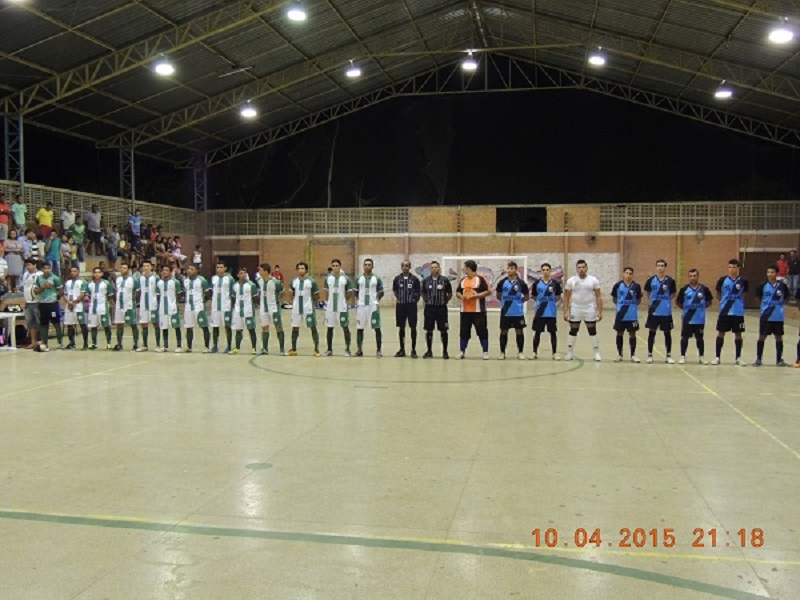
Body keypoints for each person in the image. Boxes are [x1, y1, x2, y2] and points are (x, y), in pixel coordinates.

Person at [562, 259, 603, 362]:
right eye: (579, 267)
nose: (581, 269)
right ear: (576, 268)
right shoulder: (571, 281)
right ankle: (570, 352)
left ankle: (596, 353)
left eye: (583, 267)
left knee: (592, 330)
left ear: (586, 268)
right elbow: (566, 297)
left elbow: (598, 297)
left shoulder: (593, 280)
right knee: (573, 330)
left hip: (589, 308)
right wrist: (565, 311)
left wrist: (599, 311)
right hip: (575, 308)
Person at [713, 258, 749, 366]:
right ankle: (717, 357)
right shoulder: (722, 280)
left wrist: (739, 303)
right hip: (725, 311)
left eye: (734, 267)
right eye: (729, 267)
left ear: (738, 268)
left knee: (738, 334)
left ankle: (738, 358)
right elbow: (718, 294)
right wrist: (724, 303)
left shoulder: (743, 281)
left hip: (738, 312)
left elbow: (744, 294)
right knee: (721, 333)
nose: (731, 269)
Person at [753, 265, 790, 367]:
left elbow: (786, 297)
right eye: (768, 272)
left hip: (778, 316)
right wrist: (763, 307)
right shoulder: (763, 285)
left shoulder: (782, 286)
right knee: (762, 336)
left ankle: (779, 359)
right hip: (766, 316)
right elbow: (757, 297)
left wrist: (780, 306)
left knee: (779, 337)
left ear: (776, 273)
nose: (770, 274)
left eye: (772, 272)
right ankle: (758, 359)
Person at [455, 259, 491, 359]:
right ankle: (462, 351)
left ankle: (485, 352)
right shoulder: (463, 280)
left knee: (482, 331)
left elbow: (488, 291)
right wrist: (461, 296)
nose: (463, 269)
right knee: (464, 332)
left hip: (478, 311)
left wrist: (476, 296)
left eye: (464, 267)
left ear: (469, 268)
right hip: (465, 311)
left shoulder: (481, 279)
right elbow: (458, 292)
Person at [676, 268, 713, 365]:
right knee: (684, 338)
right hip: (687, 318)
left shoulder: (704, 289)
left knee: (699, 338)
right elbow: (678, 302)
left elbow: (709, 301)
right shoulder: (684, 289)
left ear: (698, 276)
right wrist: (686, 310)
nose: (692, 278)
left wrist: (701, 308)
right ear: (688, 277)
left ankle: (701, 357)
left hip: (699, 319)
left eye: (694, 276)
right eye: (690, 276)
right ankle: (682, 356)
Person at [643, 259, 677, 364]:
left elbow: (673, 294)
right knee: (652, 333)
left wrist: (665, 301)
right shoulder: (651, 280)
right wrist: (653, 301)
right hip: (654, 311)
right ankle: (650, 355)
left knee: (667, 334)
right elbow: (648, 293)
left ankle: (668, 356)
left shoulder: (670, 281)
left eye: (662, 266)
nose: (660, 267)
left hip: (666, 312)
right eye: (658, 265)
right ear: (656, 267)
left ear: (665, 267)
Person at [496, 261, 529, 360]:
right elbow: (498, 295)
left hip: (518, 312)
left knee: (519, 331)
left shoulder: (521, 283)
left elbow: (527, 296)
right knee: (503, 331)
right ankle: (502, 352)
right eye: (508, 268)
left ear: (516, 270)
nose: (509, 270)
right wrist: (505, 302)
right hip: (506, 312)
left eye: (512, 268)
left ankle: (520, 352)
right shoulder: (502, 282)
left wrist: (518, 302)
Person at [288, 261, 321, 356]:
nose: (300, 270)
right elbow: (291, 294)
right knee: (295, 328)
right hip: (296, 309)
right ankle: (293, 349)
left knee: (313, 327)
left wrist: (311, 304)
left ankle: (316, 349)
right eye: (299, 268)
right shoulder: (294, 281)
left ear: (306, 270)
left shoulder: (311, 281)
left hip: (308, 308)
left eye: (302, 268)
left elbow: (316, 295)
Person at [610, 266, 642, 363]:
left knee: (632, 334)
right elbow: (614, 299)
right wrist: (621, 306)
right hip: (620, 315)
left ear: (632, 275)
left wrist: (631, 306)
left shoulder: (636, 286)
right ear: (623, 274)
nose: (628, 275)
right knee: (619, 333)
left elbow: (638, 300)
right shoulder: (618, 285)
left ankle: (633, 355)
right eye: (626, 273)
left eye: (630, 274)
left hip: (632, 315)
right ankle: (619, 354)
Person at [530, 263, 562, 360]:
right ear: (541, 271)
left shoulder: (555, 283)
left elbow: (558, 296)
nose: (545, 271)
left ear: (550, 271)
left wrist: (550, 302)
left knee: (552, 333)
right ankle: (534, 352)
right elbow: (534, 296)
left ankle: (554, 353)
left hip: (551, 312)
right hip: (540, 312)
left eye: (547, 269)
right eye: (543, 270)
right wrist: (540, 303)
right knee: (537, 332)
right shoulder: (536, 283)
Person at [421, 260, 452, 359]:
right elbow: (423, 292)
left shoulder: (445, 280)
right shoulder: (426, 281)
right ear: (430, 269)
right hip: (429, 308)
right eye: (432, 267)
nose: (434, 269)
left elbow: (449, 293)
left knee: (443, 330)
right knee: (429, 330)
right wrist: (427, 300)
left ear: (439, 268)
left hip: (441, 309)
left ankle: (445, 351)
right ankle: (429, 351)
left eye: (436, 267)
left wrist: (445, 301)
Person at [354, 258, 384, 357]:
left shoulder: (377, 278)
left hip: (373, 306)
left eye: (369, 265)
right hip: (361, 306)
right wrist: (360, 300)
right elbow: (356, 291)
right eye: (365, 265)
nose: (367, 266)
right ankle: (359, 350)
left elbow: (381, 291)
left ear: (372, 266)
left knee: (377, 328)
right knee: (360, 328)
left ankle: (378, 350)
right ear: (363, 266)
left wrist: (376, 300)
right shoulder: (358, 278)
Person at [392, 260, 421, 358]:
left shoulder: (414, 279)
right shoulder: (397, 279)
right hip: (400, 306)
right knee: (401, 327)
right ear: (401, 267)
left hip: (411, 307)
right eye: (403, 266)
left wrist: (413, 300)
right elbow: (395, 290)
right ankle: (402, 349)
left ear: (410, 267)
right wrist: (400, 298)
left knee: (413, 327)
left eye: (407, 266)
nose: (405, 267)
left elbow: (418, 292)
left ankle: (413, 350)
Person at [323, 259, 352, 356]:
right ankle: (329, 349)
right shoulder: (328, 278)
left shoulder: (345, 278)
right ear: (331, 267)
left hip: (342, 307)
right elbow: (326, 292)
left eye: (337, 265)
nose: (335, 267)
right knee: (329, 328)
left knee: (345, 327)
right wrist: (329, 302)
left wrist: (343, 300)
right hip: (330, 308)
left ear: (340, 266)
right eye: (333, 266)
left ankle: (347, 349)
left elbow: (349, 293)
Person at [33, 262, 63, 351]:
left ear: (51, 269)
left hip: (53, 304)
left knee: (56, 322)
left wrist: (55, 298)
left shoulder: (55, 278)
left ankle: (60, 343)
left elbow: (61, 291)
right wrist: (43, 287)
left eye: (48, 268)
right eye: (45, 268)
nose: (47, 270)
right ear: (42, 269)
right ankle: (45, 343)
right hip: (42, 304)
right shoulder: (39, 278)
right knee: (44, 324)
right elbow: (36, 291)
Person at [257, 263, 286, 356]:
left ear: (266, 271)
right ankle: (265, 349)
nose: (259, 272)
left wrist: (277, 301)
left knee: (278, 327)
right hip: (263, 308)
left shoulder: (275, 282)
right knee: (264, 327)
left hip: (273, 307)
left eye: (260, 270)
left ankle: (282, 349)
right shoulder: (259, 280)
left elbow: (282, 292)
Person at [182, 263, 210, 353]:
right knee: (188, 327)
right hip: (188, 307)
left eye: (192, 269)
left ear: (197, 271)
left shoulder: (202, 280)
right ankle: (189, 347)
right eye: (188, 269)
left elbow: (208, 293)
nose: (189, 271)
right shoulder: (185, 281)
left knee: (204, 326)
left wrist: (203, 301)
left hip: (199, 307)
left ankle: (207, 347)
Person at [112, 262, 140, 351]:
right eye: (121, 268)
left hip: (129, 305)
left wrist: (134, 300)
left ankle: (136, 344)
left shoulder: (134, 279)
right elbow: (116, 291)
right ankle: (119, 344)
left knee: (133, 324)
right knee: (119, 324)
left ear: (128, 270)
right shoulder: (118, 279)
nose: (122, 269)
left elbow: (138, 292)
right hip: (119, 305)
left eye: (124, 268)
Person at [231, 267, 258, 354]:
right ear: (238, 275)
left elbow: (255, 298)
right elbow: (233, 298)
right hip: (238, 310)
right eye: (241, 273)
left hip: (248, 310)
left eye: (245, 273)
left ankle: (254, 348)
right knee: (238, 330)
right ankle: (237, 348)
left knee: (251, 329)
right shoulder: (235, 286)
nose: (243, 275)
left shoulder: (251, 285)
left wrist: (253, 307)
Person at [156, 264, 182, 353]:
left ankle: (179, 346)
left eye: (167, 270)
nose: (164, 272)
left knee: (176, 327)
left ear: (170, 272)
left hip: (172, 308)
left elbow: (179, 294)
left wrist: (175, 303)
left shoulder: (175, 282)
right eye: (163, 270)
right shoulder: (159, 282)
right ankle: (165, 346)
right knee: (164, 327)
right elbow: (158, 295)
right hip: (162, 308)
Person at [86, 266, 113, 350]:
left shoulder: (106, 283)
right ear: (93, 274)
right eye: (95, 272)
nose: (97, 274)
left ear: (102, 274)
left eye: (98, 272)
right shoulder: (89, 284)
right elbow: (87, 295)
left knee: (106, 326)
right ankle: (94, 343)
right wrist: (87, 303)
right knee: (93, 326)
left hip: (103, 307)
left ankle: (108, 343)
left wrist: (111, 305)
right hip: (93, 308)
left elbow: (110, 296)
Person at [210, 261, 234, 353]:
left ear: (225, 268)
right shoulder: (213, 278)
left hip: (226, 306)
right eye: (217, 267)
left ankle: (229, 346)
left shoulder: (229, 279)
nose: (219, 269)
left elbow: (232, 292)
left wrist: (231, 305)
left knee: (227, 326)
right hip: (215, 307)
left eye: (221, 267)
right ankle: (215, 346)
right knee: (215, 326)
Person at [63, 265, 89, 350]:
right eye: (71, 271)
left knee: (82, 324)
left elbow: (82, 294)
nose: (73, 273)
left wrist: (74, 302)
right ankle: (72, 342)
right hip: (69, 306)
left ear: (78, 272)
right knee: (70, 325)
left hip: (79, 306)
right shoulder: (67, 282)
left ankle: (85, 343)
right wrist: (68, 302)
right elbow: (65, 294)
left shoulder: (83, 282)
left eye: (74, 271)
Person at [137, 260, 159, 352]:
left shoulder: (156, 278)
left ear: (151, 267)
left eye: (147, 266)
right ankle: (144, 345)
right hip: (143, 304)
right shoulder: (140, 278)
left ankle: (158, 345)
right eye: (144, 266)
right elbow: (138, 291)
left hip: (153, 304)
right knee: (143, 324)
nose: (145, 268)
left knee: (155, 324)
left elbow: (158, 292)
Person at [21, 259, 41, 349]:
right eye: (26, 265)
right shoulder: (25, 274)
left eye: (29, 265)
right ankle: (33, 342)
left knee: (39, 322)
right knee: (31, 323)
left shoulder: (40, 275)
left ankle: (41, 341)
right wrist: (25, 300)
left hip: (37, 301)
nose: (27, 267)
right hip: (28, 302)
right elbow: (25, 288)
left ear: (35, 265)